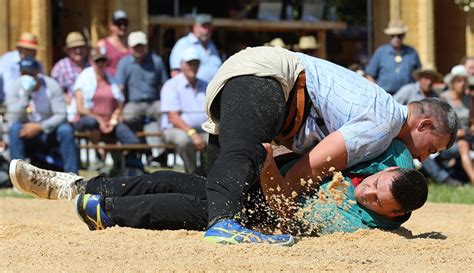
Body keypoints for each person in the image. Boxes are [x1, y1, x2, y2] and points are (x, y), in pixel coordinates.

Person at [199, 46, 457, 244]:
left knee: (219, 187)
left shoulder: (383, 109)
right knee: (244, 157)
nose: (423, 158)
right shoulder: (382, 126)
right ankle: (223, 223)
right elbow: (296, 180)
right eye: (432, 149)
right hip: (267, 78)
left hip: (252, 75)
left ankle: (159, 188)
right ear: (423, 125)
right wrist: (274, 180)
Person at [8, 139, 427, 245]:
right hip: (259, 190)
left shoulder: (360, 224)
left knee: (198, 205)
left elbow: (285, 214)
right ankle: (75, 186)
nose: (365, 193)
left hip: (266, 211)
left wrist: (266, 168)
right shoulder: (390, 167)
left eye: (375, 201)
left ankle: (107, 211)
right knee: (172, 178)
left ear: (389, 215)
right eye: (371, 185)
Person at [73, 47, 143, 173]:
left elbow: (119, 104)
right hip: (89, 121)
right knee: (91, 123)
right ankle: (99, 155)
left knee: (133, 141)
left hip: (110, 122)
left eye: (103, 61)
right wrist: (99, 120)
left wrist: (113, 120)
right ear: (91, 61)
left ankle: (130, 169)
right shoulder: (83, 78)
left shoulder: (112, 79)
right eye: (97, 61)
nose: (100, 64)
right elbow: (80, 108)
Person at [5, 56, 78, 173]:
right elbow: (12, 117)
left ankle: (73, 175)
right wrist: (25, 97)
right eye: (24, 73)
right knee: (14, 129)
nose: (27, 76)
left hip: (49, 131)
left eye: (30, 72)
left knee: (66, 130)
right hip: (26, 132)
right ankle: (17, 176)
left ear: (37, 72)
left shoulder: (51, 85)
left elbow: (61, 114)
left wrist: (40, 126)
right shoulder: (16, 87)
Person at [394, 66, 464, 186]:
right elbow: (395, 107)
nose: (429, 81)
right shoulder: (408, 90)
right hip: (409, 137)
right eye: (426, 78)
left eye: (431, 79)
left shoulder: (436, 96)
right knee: (422, 148)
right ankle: (444, 179)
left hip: (434, 138)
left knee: (449, 149)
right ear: (419, 79)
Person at [160, 48, 208, 173]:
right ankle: (191, 174)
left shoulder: (205, 85)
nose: (193, 66)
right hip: (175, 129)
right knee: (185, 141)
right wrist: (192, 133)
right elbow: (173, 117)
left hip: (202, 130)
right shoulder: (171, 85)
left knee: (217, 140)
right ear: (182, 65)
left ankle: (210, 175)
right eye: (190, 63)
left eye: (196, 63)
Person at [116, 31, 168, 131]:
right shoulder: (124, 63)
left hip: (154, 102)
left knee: (165, 113)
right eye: (136, 46)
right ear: (130, 47)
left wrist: (166, 103)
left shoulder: (156, 61)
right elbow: (120, 88)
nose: (139, 49)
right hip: (133, 103)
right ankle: (138, 138)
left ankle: (165, 140)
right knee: (128, 116)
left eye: (141, 46)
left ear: (146, 46)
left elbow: (164, 85)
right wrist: (119, 110)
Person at [365, 21, 421, 95]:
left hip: (407, 97)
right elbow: (369, 75)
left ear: (404, 35)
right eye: (393, 36)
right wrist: (377, 91)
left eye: (399, 35)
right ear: (389, 36)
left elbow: (419, 75)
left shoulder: (412, 52)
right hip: (385, 94)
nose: (396, 38)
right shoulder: (381, 51)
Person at [439, 65, 474, 184]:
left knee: (464, 143)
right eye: (459, 81)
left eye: (465, 81)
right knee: (463, 145)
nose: (463, 84)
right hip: (449, 140)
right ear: (452, 83)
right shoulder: (444, 99)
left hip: (468, 135)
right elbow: (440, 126)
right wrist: (456, 133)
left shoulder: (468, 99)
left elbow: (472, 120)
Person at [169, 14, 222, 82]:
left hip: (213, 90)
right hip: (192, 91)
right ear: (195, 27)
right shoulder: (183, 43)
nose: (206, 30)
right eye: (203, 27)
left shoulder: (212, 45)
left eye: (209, 27)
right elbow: (175, 72)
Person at [51, 32, 89, 123]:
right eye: (74, 48)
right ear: (67, 50)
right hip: (69, 109)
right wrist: (69, 100)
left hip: (90, 107)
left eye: (81, 47)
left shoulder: (91, 66)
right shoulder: (60, 67)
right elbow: (54, 90)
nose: (78, 51)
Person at [0, 32, 43, 103]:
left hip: (30, 104)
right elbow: (9, 90)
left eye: (34, 50)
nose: (34, 53)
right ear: (19, 49)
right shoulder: (7, 61)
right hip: (6, 103)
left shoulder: (37, 64)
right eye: (29, 50)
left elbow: (42, 85)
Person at [97, 9, 130, 76]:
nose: (122, 27)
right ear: (111, 25)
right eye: (118, 23)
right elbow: (97, 68)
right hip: (111, 83)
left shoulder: (132, 45)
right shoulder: (102, 45)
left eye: (125, 23)